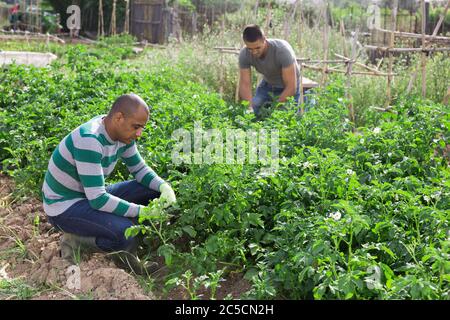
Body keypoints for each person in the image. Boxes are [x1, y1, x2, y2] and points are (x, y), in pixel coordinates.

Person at [42, 93, 176, 275]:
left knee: (153, 192)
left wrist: (163, 186)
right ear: (119, 117)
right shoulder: (89, 139)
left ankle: (129, 243)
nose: (139, 134)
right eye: (136, 127)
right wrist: (141, 211)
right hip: (65, 207)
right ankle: (78, 241)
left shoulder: (123, 136)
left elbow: (139, 170)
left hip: (89, 195)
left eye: (142, 128)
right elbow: (98, 200)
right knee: (124, 231)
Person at [238, 24, 302, 116]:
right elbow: (245, 84)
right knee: (253, 111)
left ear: (264, 39)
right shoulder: (244, 54)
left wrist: (274, 108)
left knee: (284, 117)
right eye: (250, 49)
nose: (254, 52)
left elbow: (291, 87)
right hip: (268, 85)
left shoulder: (282, 50)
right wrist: (249, 108)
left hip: (287, 87)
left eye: (257, 48)